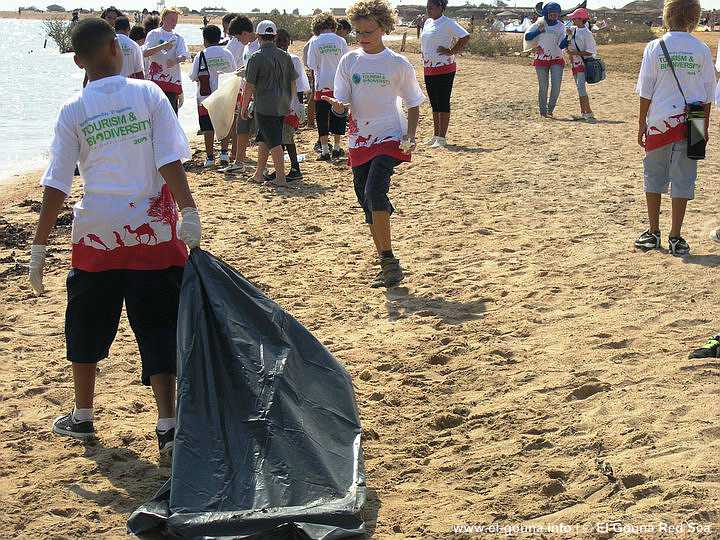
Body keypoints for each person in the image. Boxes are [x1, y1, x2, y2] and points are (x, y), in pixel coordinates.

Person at [28, 18, 201, 456]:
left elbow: (57, 183)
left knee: (86, 320)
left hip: (96, 235)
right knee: (158, 323)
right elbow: (169, 161)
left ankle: (82, 416)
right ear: (116, 49)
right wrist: (189, 211)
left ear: (78, 60)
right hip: (154, 231)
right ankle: (168, 425)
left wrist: (40, 244)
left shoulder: (73, 109)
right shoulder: (148, 94)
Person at [323, 0, 424, 288]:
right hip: (359, 139)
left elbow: (414, 103)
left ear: (383, 28)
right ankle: (384, 260)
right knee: (367, 201)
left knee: (374, 191)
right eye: (358, 32)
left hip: (391, 136)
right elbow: (342, 102)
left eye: (368, 32)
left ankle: (390, 261)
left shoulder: (397, 63)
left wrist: (411, 136)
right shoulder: (349, 60)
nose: (363, 38)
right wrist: (338, 108)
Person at [634, 0, 713, 256]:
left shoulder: (655, 47)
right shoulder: (701, 48)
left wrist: (641, 123)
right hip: (696, 117)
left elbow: (646, 90)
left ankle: (653, 232)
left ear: (667, 15)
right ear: (695, 17)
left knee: (654, 174)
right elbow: (708, 93)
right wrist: (704, 128)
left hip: (660, 119)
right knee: (685, 177)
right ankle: (676, 236)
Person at [240, 20, 299, 187]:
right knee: (264, 139)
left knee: (274, 142)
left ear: (258, 36)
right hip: (282, 104)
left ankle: (280, 178)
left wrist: (244, 108)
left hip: (265, 105)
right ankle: (259, 173)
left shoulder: (256, 57)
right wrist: (292, 103)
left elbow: (249, 86)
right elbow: (293, 81)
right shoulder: (285, 55)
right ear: (274, 36)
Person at [420, 0, 470, 148]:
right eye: (427, 7)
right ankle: (436, 135)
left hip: (444, 68)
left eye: (431, 7)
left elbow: (465, 36)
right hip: (428, 67)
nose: (428, 9)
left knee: (442, 101)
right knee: (434, 103)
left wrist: (452, 51)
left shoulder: (447, 22)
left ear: (440, 7)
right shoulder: (428, 22)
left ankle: (442, 137)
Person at [267, 28, 311, 181]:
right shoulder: (270, 58)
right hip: (275, 106)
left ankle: (295, 168)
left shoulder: (293, 60)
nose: (281, 44)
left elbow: (298, 85)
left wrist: (299, 105)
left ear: (289, 43)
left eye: (284, 41)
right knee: (279, 139)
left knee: (287, 137)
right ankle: (280, 169)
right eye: (278, 41)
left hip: (290, 107)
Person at [190, 25, 237, 167]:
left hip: (205, 97)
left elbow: (193, 76)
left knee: (207, 127)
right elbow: (233, 73)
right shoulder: (227, 53)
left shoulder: (201, 55)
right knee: (224, 124)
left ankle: (210, 158)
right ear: (219, 38)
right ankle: (224, 153)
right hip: (224, 95)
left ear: (205, 39)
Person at [307, 12, 349, 160]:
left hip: (321, 84)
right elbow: (346, 62)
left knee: (322, 116)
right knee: (339, 114)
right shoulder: (341, 41)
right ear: (332, 25)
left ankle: (325, 150)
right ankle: (337, 147)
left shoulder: (315, 41)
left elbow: (311, 64)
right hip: (339, 84)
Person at [222, 16, 258, 174]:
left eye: (237, 36)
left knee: (259, 129)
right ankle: (238, 158)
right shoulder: (245, 45)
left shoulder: (259, 45)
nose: (236, 40)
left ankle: (239, 157)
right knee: (242, 125)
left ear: (245, 33)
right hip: (244, 90)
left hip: (257, 93)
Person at [524, 2, 568, 118]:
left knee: (556, 87)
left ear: (559, 14)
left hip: (557, 59)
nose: (554, 16)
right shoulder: (540, 23)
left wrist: (568, 37)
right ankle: (543, 112)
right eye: (551, 14)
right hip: (541, 59)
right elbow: (527, 36)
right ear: (546, 13)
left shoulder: (561, 26)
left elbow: (562, 45)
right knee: (543, 87)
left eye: (556, 14)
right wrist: (539, 31)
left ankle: (550, 109)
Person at [143, 8, 189, 114]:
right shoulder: (154, 34)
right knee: (155, 114)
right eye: (172, 19)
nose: (175, 22)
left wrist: (175, 60)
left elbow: (184, 55)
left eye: (176, 20)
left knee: (171, 114)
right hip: (155, 82)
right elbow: (145, 53)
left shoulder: (178, 37)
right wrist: (163, 46)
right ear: (163, 19)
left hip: (172, 83)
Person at [565, 8, 597, 122]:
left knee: (581, 88)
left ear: (580, 19)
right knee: (580, 88)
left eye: (574, 18)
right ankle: (584, 112)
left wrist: (574, 53)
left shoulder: (587, 34)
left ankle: (588, 112)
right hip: (575, 63)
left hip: (583, 63)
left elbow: (590, 51)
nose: (572, 19)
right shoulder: (574, 30)